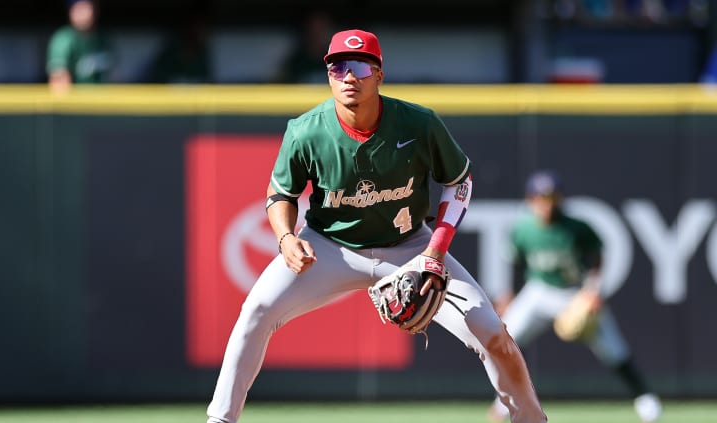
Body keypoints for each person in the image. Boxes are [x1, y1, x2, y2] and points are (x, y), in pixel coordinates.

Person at [205, 29, 548, 423]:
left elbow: (460, 182)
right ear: (329, 75)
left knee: (491, 332)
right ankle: (221, 420)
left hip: (410, 247)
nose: (349, 76)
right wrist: (285, 238)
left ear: (379, 76)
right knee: (257, 310)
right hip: (329, 245)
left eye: (361, 66)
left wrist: (435, 253)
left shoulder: (418, 124)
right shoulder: (305, 130)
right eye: (338, 67)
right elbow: (280, 193)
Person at [487, 169, 662, 423]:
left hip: (573, 294)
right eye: (540, 197)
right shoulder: (523, 230)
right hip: (539, 291)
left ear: (560, 199)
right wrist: (509, 294)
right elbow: (515, 264)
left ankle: (645, 398)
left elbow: (598, 257)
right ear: (530, 200)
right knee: (505, 340)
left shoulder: (576, 228)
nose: (546, 203)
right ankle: (505, 401)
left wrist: (592, 291)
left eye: (551, 197)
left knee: (614, 349)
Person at [46, 0, 113, 93]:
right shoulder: (64, 39)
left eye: (86, 7)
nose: (83, 13)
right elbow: (58, 82)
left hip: (103, 103)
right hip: (76, 104)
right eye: (78, 8)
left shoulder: (103, 39)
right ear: (71, 11)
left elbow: (115, 76)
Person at [274, 9, 335, 83]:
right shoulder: (295, 61)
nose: (316, 33)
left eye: (321, 28)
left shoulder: (334, 59)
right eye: (313, 28)